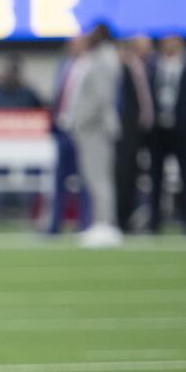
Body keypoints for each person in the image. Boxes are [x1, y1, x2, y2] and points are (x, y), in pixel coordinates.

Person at [67, 24, 123, 248]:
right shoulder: (99, 58)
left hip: (96, 128)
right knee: (93, 177)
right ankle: (100, 223)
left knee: (99, 178)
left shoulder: (105, 60)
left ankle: (106, 224)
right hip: (92, 127)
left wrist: (80, 121)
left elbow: (101, 98)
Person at [148, 35, 186, 233]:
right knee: (156, 178)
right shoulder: (153, 70)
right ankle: (154, 222)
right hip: (158, 132)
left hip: (182, 131)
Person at [48, 35, 90, 234]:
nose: (73, 46)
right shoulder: (63, 65)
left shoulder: (91, 67)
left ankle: (85, 224)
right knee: (59, 180)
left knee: (85, 180)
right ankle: (54, 225)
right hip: (63, 130)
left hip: (84, 131)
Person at [116, 37, 154, 232]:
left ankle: (134, 218)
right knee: (124, 176)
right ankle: (122, 220)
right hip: (127, 132)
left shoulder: (146, 68)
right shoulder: (123, 69)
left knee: (135, 177)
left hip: (144, 132)